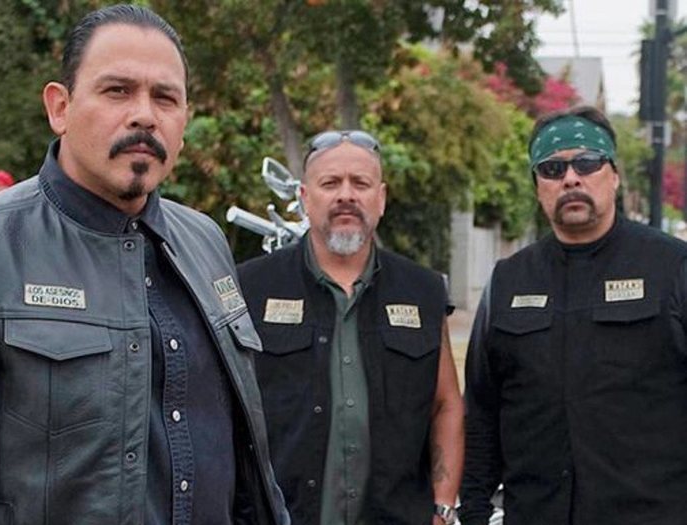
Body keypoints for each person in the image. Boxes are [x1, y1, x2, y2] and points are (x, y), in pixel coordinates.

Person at [0, 5, 289, 525]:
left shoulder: (205, 243)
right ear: (59, 107)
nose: (144, 115)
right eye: (117, 91)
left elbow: (245, 473)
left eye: (165, 97)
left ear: (184, 119)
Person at [460, 105, 687, 524]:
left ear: (614, 175)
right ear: (537, 187)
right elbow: (481, 411)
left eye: (587, 162)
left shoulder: (672, 268)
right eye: (552, 168)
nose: (570, 178)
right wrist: (473, 511)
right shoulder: (508, 280)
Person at [238, 130, 464, 525]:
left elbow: (446, 404)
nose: (346, 195)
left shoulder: (423, 291)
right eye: (330, 183)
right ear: (305, 198)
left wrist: (442, 506)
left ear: (381, 198)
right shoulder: (251, 287)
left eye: (360, 183)